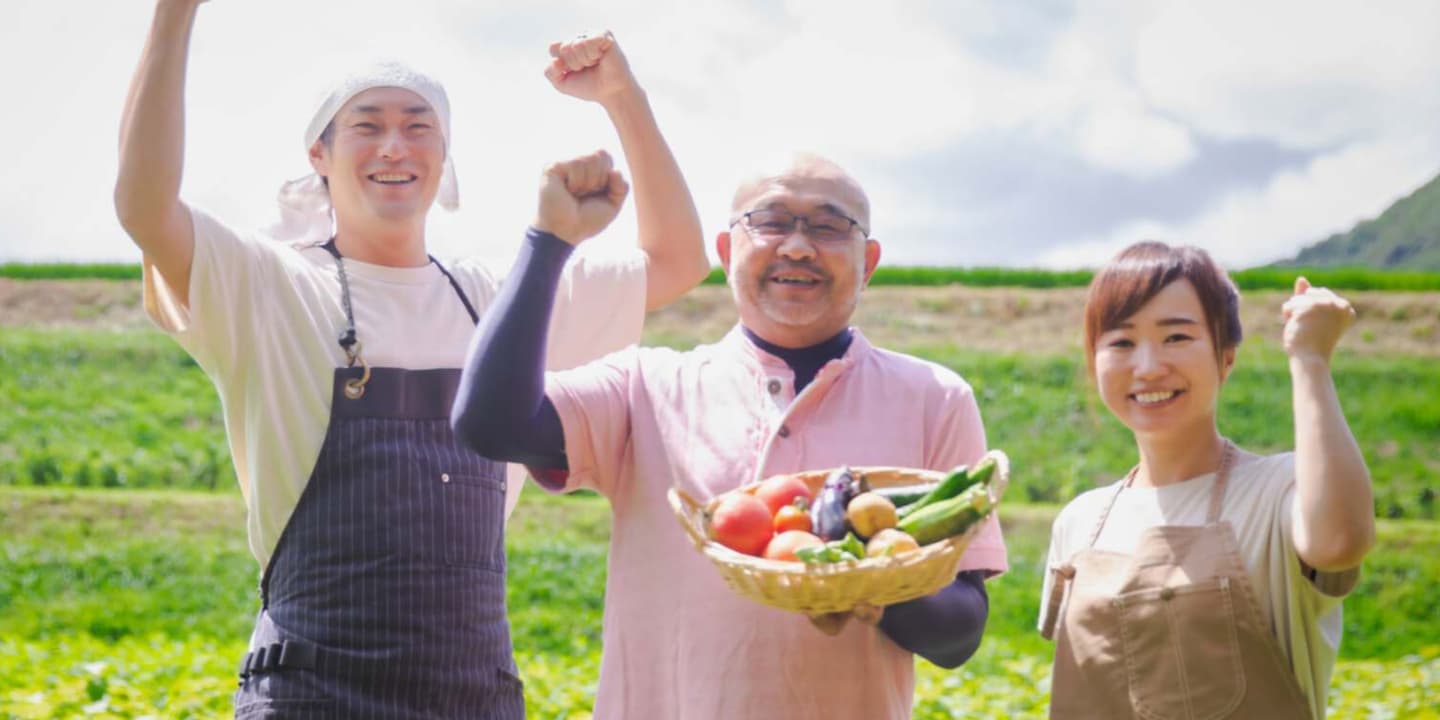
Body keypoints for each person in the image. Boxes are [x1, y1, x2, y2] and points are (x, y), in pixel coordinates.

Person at [114, 1, 707, 714]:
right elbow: (145, 208)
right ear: (319, 156)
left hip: (475, 696)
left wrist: (622, 98)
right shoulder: (268, 287)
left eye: (418, 127)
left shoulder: (503, 302)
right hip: (309, 694)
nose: (394, 146)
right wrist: (174, 16)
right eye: (367, 126)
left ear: (443, 157)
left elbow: (678, 260)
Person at [452, 153, 1009, 719]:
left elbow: (960, 635)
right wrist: (549, 241)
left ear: (868, 263)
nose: (798, 246)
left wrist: (872, 585)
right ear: (726, 252)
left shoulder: (935, 398)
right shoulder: (644, 385)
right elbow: (489, 424)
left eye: (828, 225)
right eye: (770, 221)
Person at [1039, 241, 1375, 719]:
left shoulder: (1278, 490)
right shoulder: (1080, 521)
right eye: (1121, 343)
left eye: (1176, 337)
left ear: (1226, 356)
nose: (1148, 367)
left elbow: (1341, 542)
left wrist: (1310, 358)